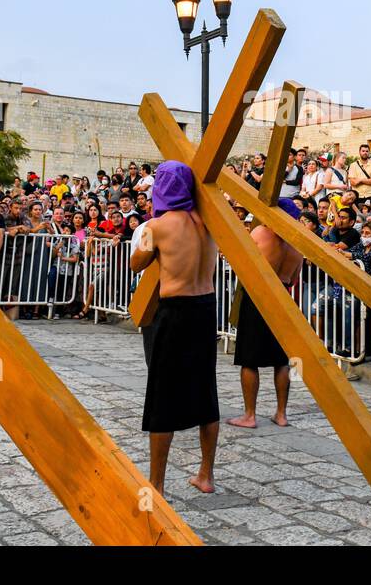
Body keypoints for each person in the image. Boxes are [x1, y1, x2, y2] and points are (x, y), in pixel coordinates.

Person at [129, 161, 219, 495]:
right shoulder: (210, 224)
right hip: (206, 308)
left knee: (163, 395)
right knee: (205, 392)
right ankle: (206, 475)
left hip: (175, 310)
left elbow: (136, 262)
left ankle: (157, 483)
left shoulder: (158, 225)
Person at [227, 198, 304, 430]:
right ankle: (281, 414)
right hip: (282, 297)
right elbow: (293, 279)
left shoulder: (261, 232)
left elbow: (242, 259)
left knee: (249, 360)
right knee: (281, 360)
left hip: (258, 296)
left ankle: (250, 415)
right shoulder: (297, 245)